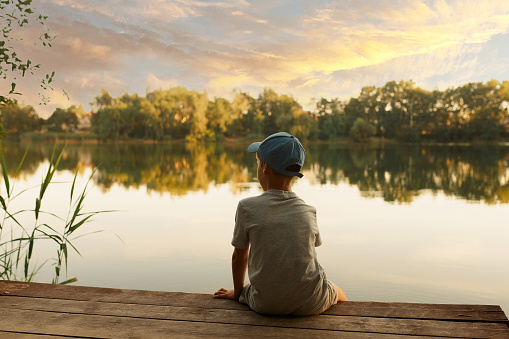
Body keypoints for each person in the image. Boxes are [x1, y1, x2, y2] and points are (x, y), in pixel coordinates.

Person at [214, 132, 347, 315]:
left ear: (265, 168)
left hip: (265, 304)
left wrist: (238, 293)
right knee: (340, 293)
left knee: (249, 286)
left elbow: (239, 258)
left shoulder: (247, 207)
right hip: (310, 302)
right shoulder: (308, 211)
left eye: (257, 165)